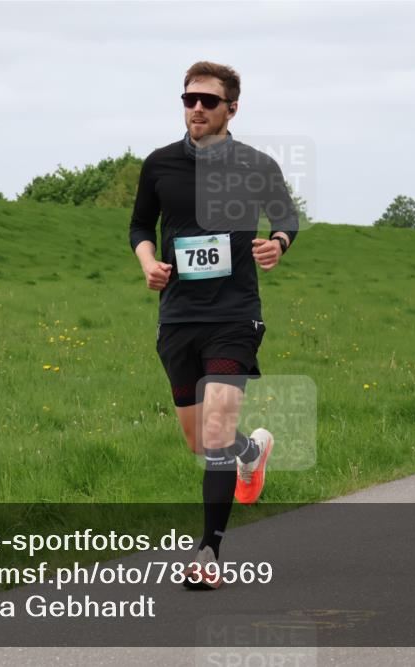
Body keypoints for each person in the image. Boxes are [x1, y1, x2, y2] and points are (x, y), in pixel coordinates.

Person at [129, 61, 298, 589]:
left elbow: (286, 216)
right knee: (202, 442)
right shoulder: (159, 164)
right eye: (188, 100)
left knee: (217, 430)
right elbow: (139, 224)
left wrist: (279, 243)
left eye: (207, 100)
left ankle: (210, 552)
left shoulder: (257, 164)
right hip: (179, 315)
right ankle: (254, 453)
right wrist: (148, 263)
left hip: (234, 314)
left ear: (231, 108)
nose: (196, 108)